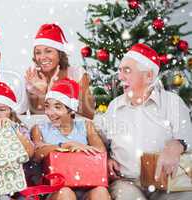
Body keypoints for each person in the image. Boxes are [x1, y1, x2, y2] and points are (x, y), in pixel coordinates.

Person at [97, 43, 192, 200]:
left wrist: (176, 145)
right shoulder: (115, 106)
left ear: (148, 76)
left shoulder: (172, 103)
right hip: (127, 183)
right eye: (120, 71)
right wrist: (106, 158)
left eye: (127, 71)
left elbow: (187, 137)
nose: (120, 77)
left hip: (168, 181)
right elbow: (101, 139)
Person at [31, 78, 110, 200]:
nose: (50, 113)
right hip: (57, 189)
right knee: (66, 193)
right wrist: (66, 145)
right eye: (47, 106)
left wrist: (75, 150)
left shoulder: (86, 126)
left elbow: (100, 151)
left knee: (101, 192)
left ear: (70, 109)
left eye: (57, 107)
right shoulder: (39, 129)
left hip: (87, 185)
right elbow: (36, 154)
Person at [25, 23, 95, 119]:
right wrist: (42, 93)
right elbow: (39, 120)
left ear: (60, 53)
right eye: (38, 52)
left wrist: (60, 95)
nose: (42, 57)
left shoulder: (77, 74)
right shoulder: (34, 78)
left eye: (48, 51)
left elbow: (89, 114)